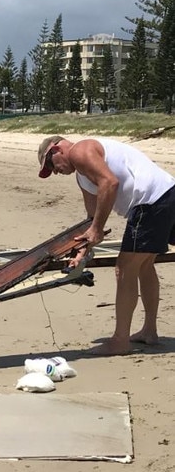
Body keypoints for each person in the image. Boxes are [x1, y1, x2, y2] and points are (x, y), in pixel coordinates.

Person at [37, 135, 175, 355]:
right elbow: (93, 219)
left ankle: (120, 341)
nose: (55, 171)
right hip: (166, 194)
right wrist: (83, 248)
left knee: (124, 269)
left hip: (150, 201)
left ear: (57, 150)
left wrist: (97, 230)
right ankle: (149, 331)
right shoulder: (82, 177)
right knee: (145, 265)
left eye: (51, 165)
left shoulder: (79, 151)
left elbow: (110, 183)